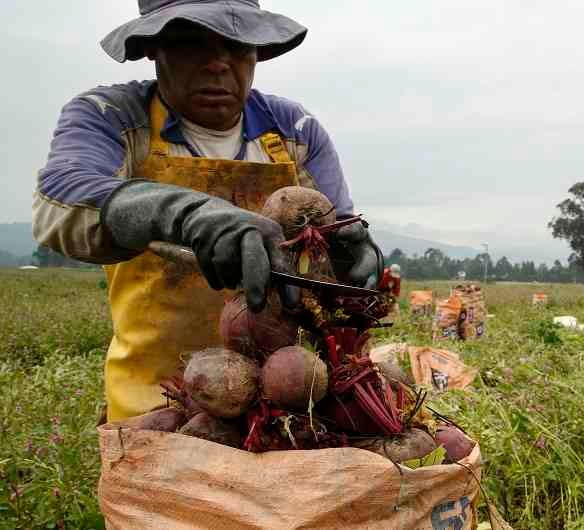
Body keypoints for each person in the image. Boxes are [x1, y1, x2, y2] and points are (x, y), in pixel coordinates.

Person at [32, 0, 382, 422]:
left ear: (256, 50)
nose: (218, 63)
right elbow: (63, 199)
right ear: (153, 47)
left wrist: (353, 257)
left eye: (237, 44)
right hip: (154, 407)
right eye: (192, 41)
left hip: (282, 405)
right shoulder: (112, 116)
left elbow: (335, 233)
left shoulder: (294, 130)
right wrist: (187, 214)